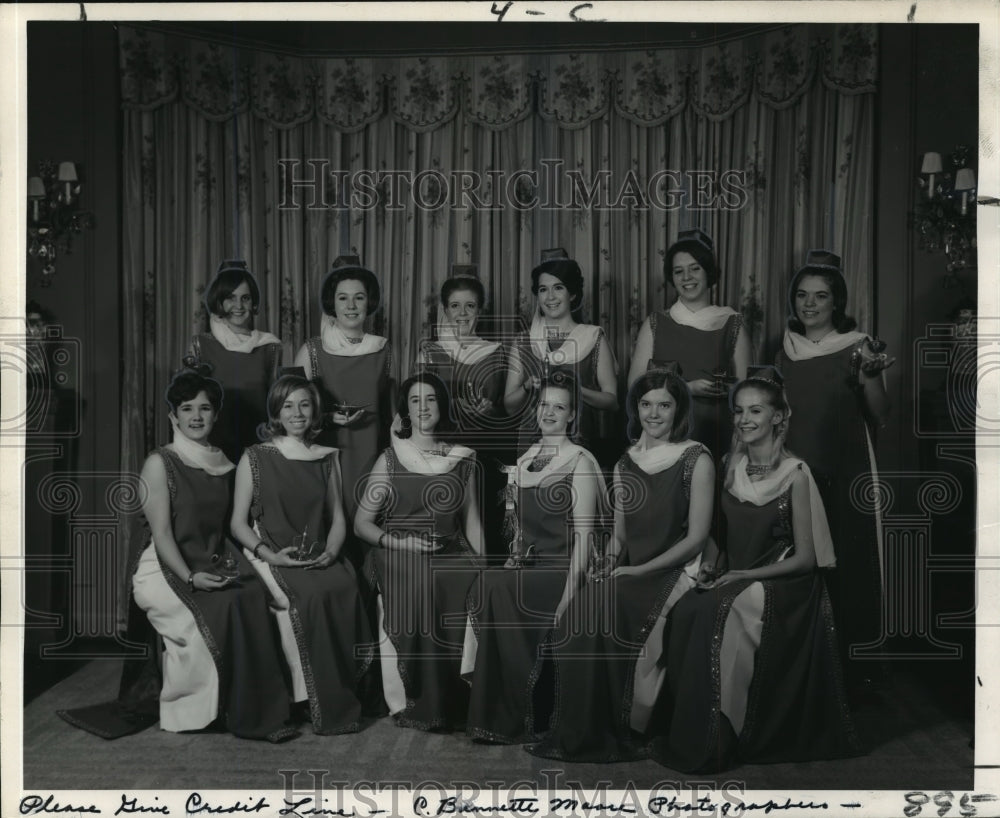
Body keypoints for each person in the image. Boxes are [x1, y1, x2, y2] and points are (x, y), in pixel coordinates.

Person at [650, 368, 862, 772]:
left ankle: (723, 738)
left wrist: (742, 577)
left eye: (756, 411)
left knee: (716, 613)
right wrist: (712, 566)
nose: (745, 419)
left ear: (779, 417)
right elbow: (718, 538)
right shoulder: (731, 464)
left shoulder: (796, 476)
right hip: (737, 578)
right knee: (686, 609)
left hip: (786, 586)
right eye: (739, 411)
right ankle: (691, 730)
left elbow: (806, 559)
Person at [526, 367, 713, 761]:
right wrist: (608, 564)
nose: (654, 413)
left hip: (676, 571)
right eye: (645, 404)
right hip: (632, 571)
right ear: (635, 408)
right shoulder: (626, 462)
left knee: (605, 608)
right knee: (582, 608)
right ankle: (581, 729)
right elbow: (621, 538)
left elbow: (696, 538)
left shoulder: (697, 457)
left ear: (679, 410)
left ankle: (614, 728)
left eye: (664, 405)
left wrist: (634, 572)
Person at [131, 365, 294, 741]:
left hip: (213, 555)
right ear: (173, 416)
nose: (196, 417)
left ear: (215, 414)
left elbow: (232, 526)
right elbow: (162, 535)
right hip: (165, 565)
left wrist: (267, 553)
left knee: (251, 595)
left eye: (204, 409)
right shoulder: (160, 463)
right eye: (187, 409)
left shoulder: (226, 463)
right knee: (223, 606)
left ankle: (255, 711)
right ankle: (213, 712)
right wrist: (190, 577)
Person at [465, 372, 608, 744]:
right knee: (492, 580)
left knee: (495, 583)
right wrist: (514, 558)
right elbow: (519, 532)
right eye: (544, 404)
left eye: (559, 407)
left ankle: (514, 712)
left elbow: (584, 538)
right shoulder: (525, 459)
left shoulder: (580, 461)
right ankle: (503, 711)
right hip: (530, 568)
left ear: (573, 415)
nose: (549, 412)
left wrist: (568, 598)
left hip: (563, 572)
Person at [775, 250, 893, 696]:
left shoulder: (861, 346)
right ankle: (806, 670)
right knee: (800, 565)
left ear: (836, 302)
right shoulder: (784, 349)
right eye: (802, 295)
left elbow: (880, 415)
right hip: (796, 471)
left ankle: (851, 674)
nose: (810, 304)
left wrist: (870, 377)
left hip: (846, 470)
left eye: (820, 296)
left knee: (847, 564)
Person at [231, 374, 374, 735]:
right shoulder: (255, 456)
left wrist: (330, 552)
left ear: (315, 411)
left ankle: (337, 694)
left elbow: (339, 518)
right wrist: (271, 555)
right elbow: (238, 524)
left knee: (344, 585)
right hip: (272, 557)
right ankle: (313, 700)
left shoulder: (327, 458)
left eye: (305, 404)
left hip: (317, 553)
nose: (297, 412)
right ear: (276, 411)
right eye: (288, 405)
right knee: (311, 597)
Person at [354, 373, 484, 731]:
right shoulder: (390, 459)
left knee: (472, 581)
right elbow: (362, 524)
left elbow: (471, 520)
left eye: (431, 399)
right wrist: (401, 543)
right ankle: (421, 698)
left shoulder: (463, 459)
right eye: (415, 400)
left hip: (449, 548)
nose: (424, 407)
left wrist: (482, 565)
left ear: (442, 406)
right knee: (424, 583)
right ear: (405, 410)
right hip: (398, 551)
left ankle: (457, 696)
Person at [627, 229, 750, 460]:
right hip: (665, 435)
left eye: (695, 268)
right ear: (671, 277)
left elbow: (748, 392)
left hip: (718, 434)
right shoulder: (655, 323)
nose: (687, 278)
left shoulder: (733, 323)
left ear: (708, 272)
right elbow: (635, 385)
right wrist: (686, 388)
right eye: (678, 271)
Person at [294, 256, 392, 523]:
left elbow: (391, 412)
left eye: (358, 298)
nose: (351, 306)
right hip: (326, 452)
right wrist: (326, 418)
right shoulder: (311, 351)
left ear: (368, 303)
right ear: (331, 303)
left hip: (371, 455)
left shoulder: (383, 350)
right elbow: (289, 413)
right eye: (342, 298)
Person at [419, 273, 509, 557]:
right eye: (455, 306)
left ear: (479, 310)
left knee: (486, 526)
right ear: (444, 310)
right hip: (441, 451)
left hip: (486, 452)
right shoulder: (429, 351)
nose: (462, 313)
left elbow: (509, 409)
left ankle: (485, 589)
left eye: (469, 306)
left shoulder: (498, 353)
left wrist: (492, 409)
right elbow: (416, 404)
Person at [503, 249, 618, 461]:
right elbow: (509, 407)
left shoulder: (594, 337)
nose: (550, 297)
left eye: (558, 288)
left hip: (579, 442)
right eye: (543, 289)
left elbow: (611, 401)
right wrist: (527, 387)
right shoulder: (522, 342)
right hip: (531, 445)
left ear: (572, 293)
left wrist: (576, 389)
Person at [190, 260, 283, 464]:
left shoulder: (269, 347)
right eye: (230, 298)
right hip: (213, 448)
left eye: (245, 298)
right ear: (219, 301)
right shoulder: (202, 346)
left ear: (254, 302)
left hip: (258, 447)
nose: (239, 306)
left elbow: (278, 405)